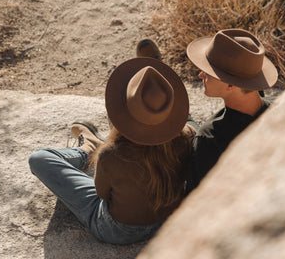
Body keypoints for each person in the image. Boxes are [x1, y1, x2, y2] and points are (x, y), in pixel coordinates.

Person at [28, 57, 194, 245]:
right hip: (169, 222)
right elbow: (189, 130)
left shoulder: (112, 154)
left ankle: (87, 149)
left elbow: (102, 194)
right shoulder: (186, 138)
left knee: (39, 158)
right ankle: (91, 145)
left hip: (117, 231)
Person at [185, 28, 278, 193]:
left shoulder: (209, 139)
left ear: (230, 85)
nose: (200, 75)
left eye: (208, 72)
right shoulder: (283, 110)